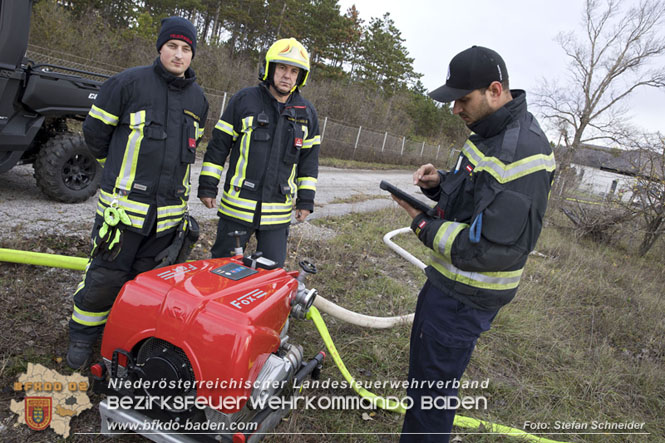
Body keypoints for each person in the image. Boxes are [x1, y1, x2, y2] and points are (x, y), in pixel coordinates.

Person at [393, 46, 556, 441]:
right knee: (428, 386)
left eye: (462, 100)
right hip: (450, 287)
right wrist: (441, 184)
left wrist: (421, 226)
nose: (455, 110)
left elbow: (489, 250)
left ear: (495, 90)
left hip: (465, 297)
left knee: (431, 394)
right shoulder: (488, 136)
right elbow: (476, 197)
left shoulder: (522, 155)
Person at [66, 17, 209, 370]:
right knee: (104, 278)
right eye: (172, 46)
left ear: (192, 55)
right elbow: (96, 135)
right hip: (123, 213)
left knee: (149, 289)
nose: (178, 54)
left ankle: (128, 344)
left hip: (167, 221)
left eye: (186, 49)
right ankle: (83, 336)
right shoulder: (126, 84)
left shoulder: (199, 100)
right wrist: (116, 171)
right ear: (160, 47)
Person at [198, 37, 320, 267]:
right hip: (236, 209)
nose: (287, 75)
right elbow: (219, 146)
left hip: (278, 216)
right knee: (221, 270)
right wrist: (207, 186)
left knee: (269, 277)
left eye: (294, 71)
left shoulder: (307, 114)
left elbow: (309, 163)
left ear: (300, 76)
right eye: (282, 67)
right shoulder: (245, 100)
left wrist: (306, 201)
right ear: (270, 68)